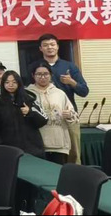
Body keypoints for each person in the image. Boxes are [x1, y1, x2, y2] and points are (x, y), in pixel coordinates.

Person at [27, 33, 88, 164]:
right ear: (40, 48)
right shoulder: (35, 66)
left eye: (52, 44)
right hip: (42, 120)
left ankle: (73, 176)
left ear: (58, 46)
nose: (49, 47)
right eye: (45, 45)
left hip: (67, 117)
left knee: (73, 155)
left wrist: (71, 82)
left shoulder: (70, 66)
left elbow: (84, 91)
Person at [27, 62, 78, 164]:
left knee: (58, 171)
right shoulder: (27, 93)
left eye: (46, 74)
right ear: (33, 75)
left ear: (51, 75)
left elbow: (74, 116)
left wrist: (69, 115)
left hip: (59, 144)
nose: (42, 77)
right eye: (39, 74)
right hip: (36, 144)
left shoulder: (60, 93)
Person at [0, 71, 48, 158]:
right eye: (7, 82)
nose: (11, 85)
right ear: (2, 84)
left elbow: (43, 120)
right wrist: (0, 146)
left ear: (19, 83)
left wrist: (29, 113)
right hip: (10, 151)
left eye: (14, 82)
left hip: (33, 150)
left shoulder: (29, 100)